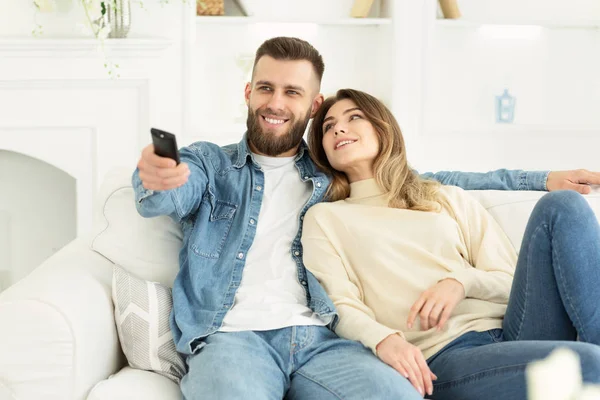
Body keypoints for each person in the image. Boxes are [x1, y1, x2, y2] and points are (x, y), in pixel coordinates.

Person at [133, 37, 600, 400]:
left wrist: (541, 178)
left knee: (398, 393)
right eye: (266, 88)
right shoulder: (218, 167)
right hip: (240, 337)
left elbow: (443, 179)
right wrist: (158, 175)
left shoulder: (346, 182)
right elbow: (168, 190)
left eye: (292, 91)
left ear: (311, 105)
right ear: (248, 92)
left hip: (327, 340)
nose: (276, 102)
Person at [301, 88, 600, 400]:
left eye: (354, 117)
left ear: (382, 127)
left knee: (562, 205)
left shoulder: (444, 196)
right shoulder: (325, 218)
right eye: (327, 126)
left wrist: (461, 281)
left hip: (518, 328)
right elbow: (340, 305)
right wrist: (383, 339)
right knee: (588, 365)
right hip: (444, 357)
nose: (338, 128)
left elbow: (511, 281)